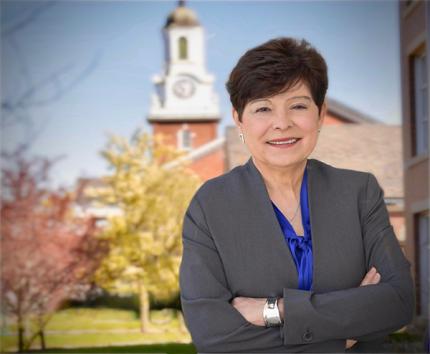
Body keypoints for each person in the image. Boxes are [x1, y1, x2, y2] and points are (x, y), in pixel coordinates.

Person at [179, 37, 414, 353]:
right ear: (239, 119)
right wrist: (342, 335)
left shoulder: (359, 192)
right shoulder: (210, 205)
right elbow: (213, 336)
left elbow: (397, 303)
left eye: (298, 105)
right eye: (263, 108)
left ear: (320, 114)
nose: (282, 123)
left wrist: (273, 310)